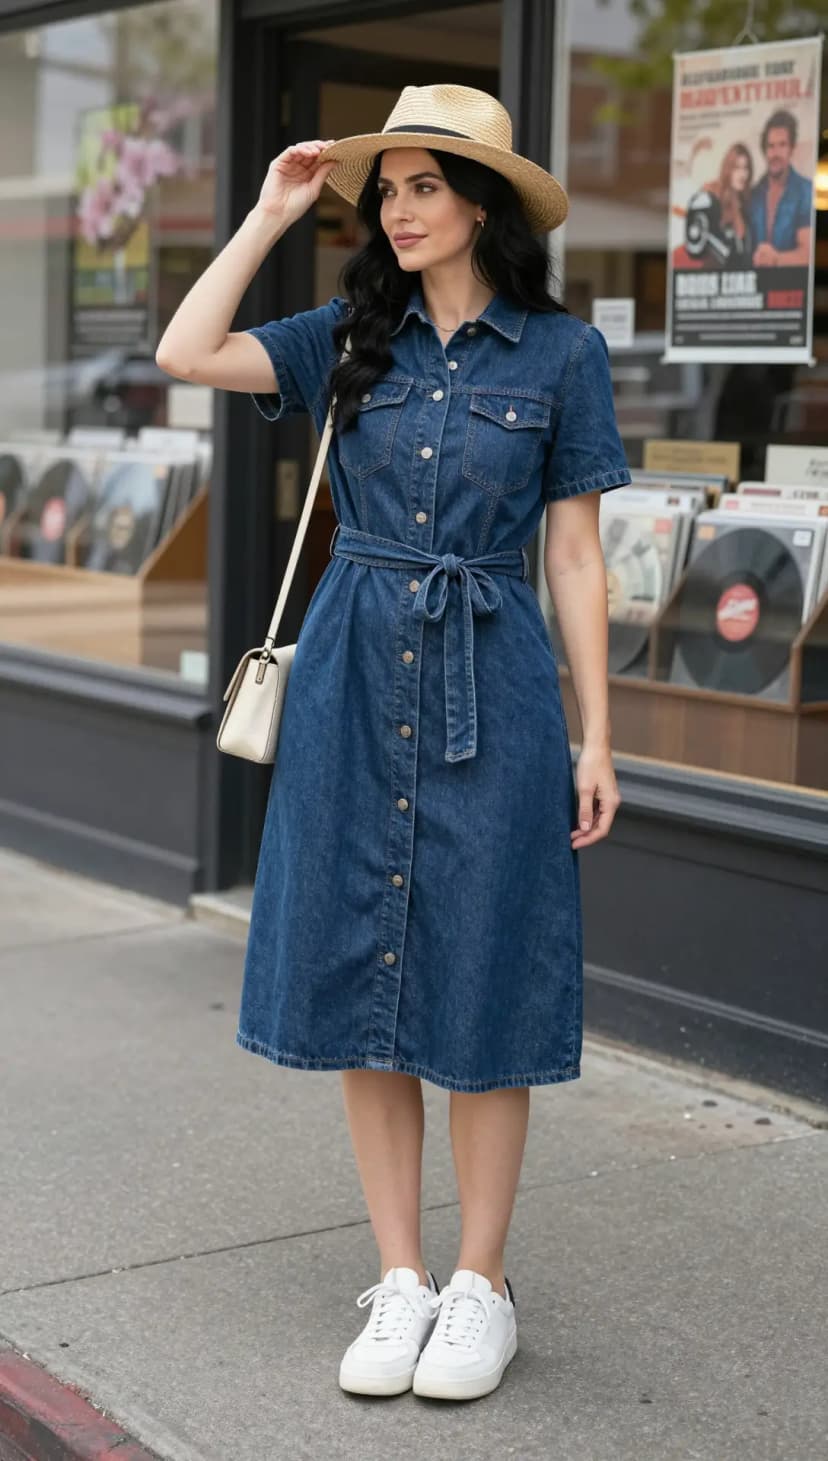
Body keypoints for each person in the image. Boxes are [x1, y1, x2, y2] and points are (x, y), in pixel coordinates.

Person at [156, 82, 630, 1403]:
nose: (404, 211)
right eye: (390, 190)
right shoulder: (345, 338)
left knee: (484, 974)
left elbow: (579, 557)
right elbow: (187, 354)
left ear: (482, 201)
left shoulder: (559, 355)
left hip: (498, 675)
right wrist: (267, 214)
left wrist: (601, 737)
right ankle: (402, 1278)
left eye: (429, 185)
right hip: (356, 669)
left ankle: (481, 1284)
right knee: (370, 971)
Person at [748, 109, 813, 266]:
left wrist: (776, 259)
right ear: (764, 150)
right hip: (756, 285)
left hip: (793, 288)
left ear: (791, 149)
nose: (775, 153)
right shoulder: (753, 194)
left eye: (782, 145)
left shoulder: (806, 191)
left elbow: (808, 254)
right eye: (770, 146)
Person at [682, 143, 755, 268]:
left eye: (745, 168)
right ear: (728, 169)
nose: (742, 174)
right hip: (713, 274)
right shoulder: (712, 196)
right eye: (737, 168)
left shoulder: (746, 203)